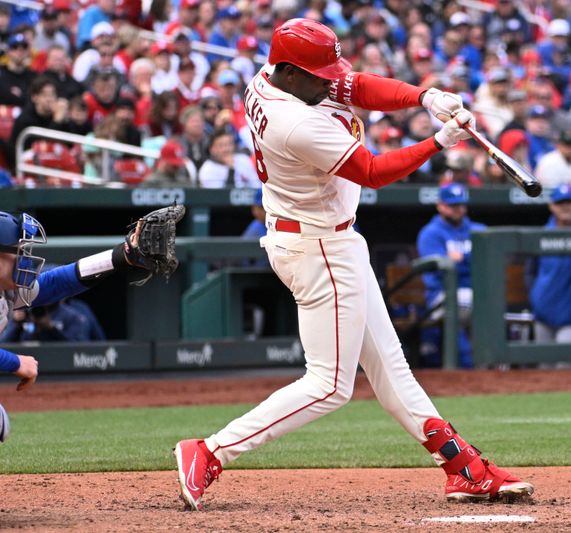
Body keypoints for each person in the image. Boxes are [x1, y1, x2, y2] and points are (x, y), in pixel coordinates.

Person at [173, 18, 533, 511]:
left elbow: (356, 84)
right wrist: (439, 142)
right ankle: (210, 451)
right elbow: (371, 171)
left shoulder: (274, 77)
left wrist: (425, 97)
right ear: (290, 72)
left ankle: (462, 467)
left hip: (325, 237)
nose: (330, 82)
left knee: (391, 368)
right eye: (318, 75)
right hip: (318, 247)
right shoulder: (295, 122)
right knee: (328, 386)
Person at [0, 206, 183, 441]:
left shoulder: (6, 290)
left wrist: (121, 256)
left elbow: (55, 284)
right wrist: (15, 362)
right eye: (18, 251)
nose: (24, 257)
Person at [416, 183, 486, 368]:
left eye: (461, 205)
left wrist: (462, 259)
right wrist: (470, 260)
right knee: (464, 303)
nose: (458, 209)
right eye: (452, 205)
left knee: (484, 305)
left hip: (474, 293)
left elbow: (489, 260)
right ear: (440, 205)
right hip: (440, 296)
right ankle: (467, 366)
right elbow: (440, 271)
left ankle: (491, 368)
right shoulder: (430, 233)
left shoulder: (478, 230)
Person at [527, 184, 571, 343]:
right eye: (560, 203)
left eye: (568, 203)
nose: (565, 208)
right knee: (544, 366)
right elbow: (530, 272)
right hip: (542, 313)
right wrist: (535, 299)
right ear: (551, 206)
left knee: (566, 366)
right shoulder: (542, 235)